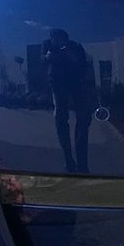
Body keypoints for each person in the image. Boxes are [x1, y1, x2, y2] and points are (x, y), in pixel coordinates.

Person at [41, 28, 95, 173]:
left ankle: (82, 162)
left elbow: (85, 63)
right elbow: (44, 59)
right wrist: (50, 56)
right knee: (60, 116)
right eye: (54, 38)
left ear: (66, 39)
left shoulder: (75, 47)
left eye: (60, 38)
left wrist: (71, 56)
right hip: (58, 85)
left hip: (77, 83)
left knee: (83, 118)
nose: (57, 41)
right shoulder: (48, 46)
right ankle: (68, 158)